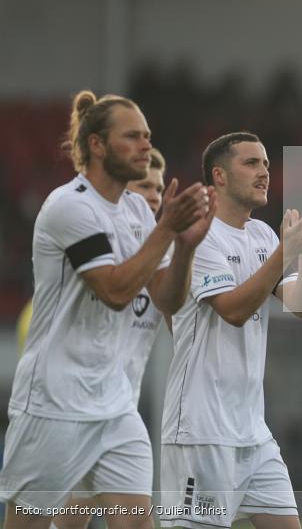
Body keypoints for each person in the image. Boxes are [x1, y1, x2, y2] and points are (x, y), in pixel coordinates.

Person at [0, 90, 214, 529]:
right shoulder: (70, 206)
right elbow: (114, 290)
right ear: (97, 144)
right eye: (132, 136)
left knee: (136, 522)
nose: (144, 146)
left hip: (117, 407)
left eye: (147, 137)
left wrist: (185, 248)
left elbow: (166, 300)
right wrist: (167, 229)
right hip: (54, 404)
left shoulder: (137, 209)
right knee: (29, 525)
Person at [159, 132, 302, 529]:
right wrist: (286, 252)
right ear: (219, 176)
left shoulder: (262, 236)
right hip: (201, 431)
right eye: (251, 163)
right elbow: (232, 310)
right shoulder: (199, 237)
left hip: (252, 431)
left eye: (266, 164)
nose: (264, 172)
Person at [52, 147, 171, 529]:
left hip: (117, 415)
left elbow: (181, 325)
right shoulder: (95, 249)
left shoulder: (164, 262)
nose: (154, 195)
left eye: (159, 187)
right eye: (143, 186)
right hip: (70, 414)